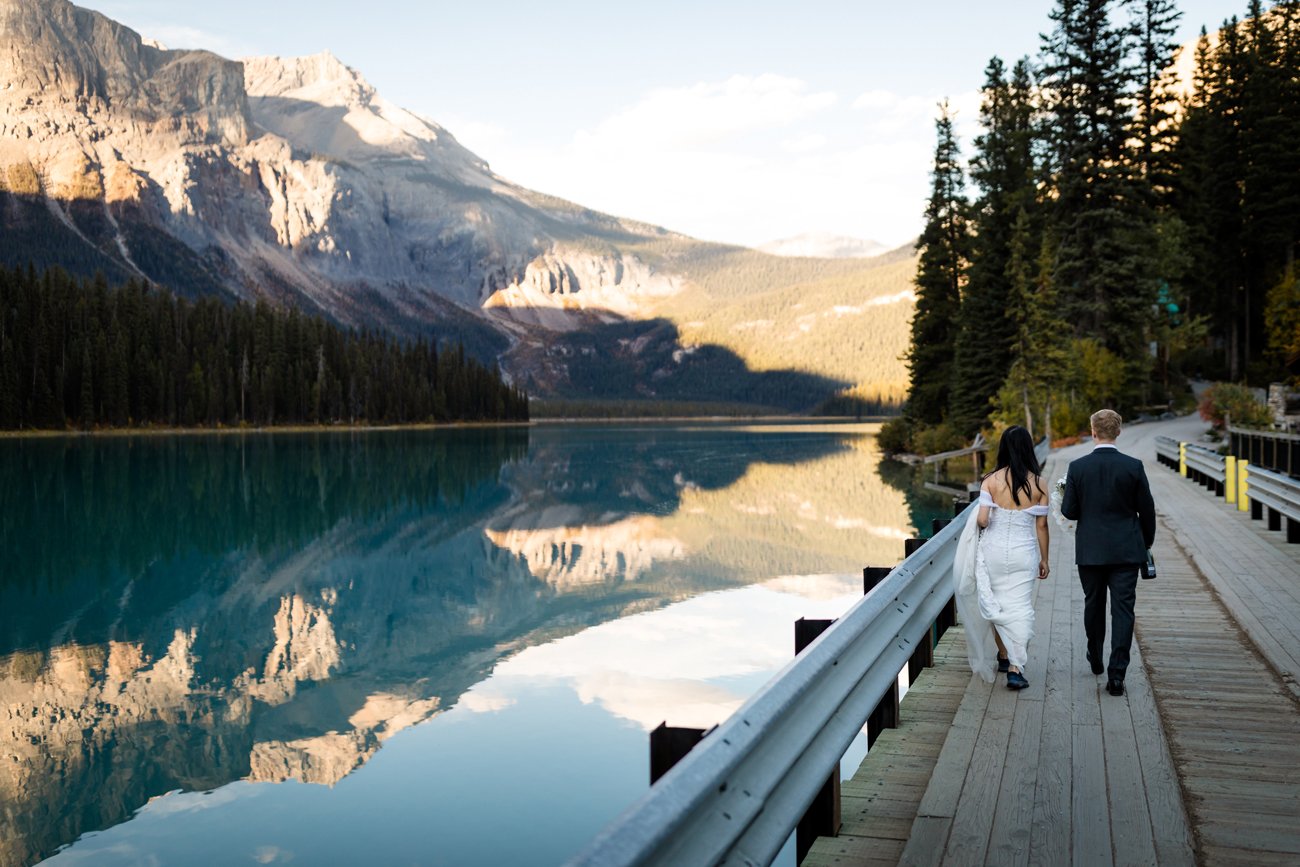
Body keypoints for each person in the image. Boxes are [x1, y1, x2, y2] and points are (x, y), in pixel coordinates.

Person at [1061, 409, 1156, 698]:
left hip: (1090, 550)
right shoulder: (1133, 466)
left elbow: (1069, 511)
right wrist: (1145, 544)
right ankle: (1117, 675)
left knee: (1093, 603)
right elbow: (1147, 510)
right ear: (1119, 431)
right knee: (1123, 610)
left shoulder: (1077, 468)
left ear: (1093, 432)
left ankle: (1095, 654)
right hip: (1127, 550)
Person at [953, 426, 1050, 689]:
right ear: (1028, 449)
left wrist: (985, 523)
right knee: (1020, 606)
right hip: (1023, 553)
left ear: (1003, 449)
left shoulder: (990, 481)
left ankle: (1005, 656)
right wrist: (1045, 559)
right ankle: (1016, 669)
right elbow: (1041, 526)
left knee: (996, 604)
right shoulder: (1039, 484)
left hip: (993, 552)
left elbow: (983, 519)